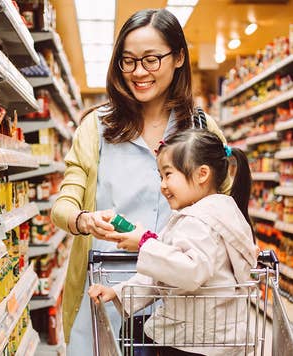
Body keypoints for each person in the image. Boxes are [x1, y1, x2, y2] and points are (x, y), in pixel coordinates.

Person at [52, 8, 230, 356]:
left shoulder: (201, 129)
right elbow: (64, 205)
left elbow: (224, 208)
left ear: (178, 57)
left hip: (182, 295)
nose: (138, 72)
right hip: (105, 292)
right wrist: (82, 219)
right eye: (128, 61)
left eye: (151, 60)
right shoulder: (97, 127)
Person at [89, 129, 257, 356]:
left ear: (202, 174)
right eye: (160, 176)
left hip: (199, 342)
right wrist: (118, 292)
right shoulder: (221, 211)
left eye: (168, 174)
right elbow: (166, 275)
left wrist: (145, 243)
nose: (163, 185)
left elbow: (189, 272)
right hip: (212, 335)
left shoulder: (198, 222)